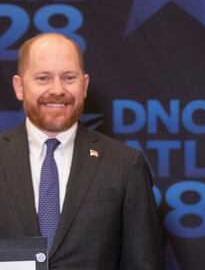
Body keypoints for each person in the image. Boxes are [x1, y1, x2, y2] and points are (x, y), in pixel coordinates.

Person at [0, 33, 163, 269]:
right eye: (43, 78)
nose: (57, 89)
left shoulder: (125, 165)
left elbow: (144, 263)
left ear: (84, 85)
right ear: (19, 87)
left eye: (68, 77)